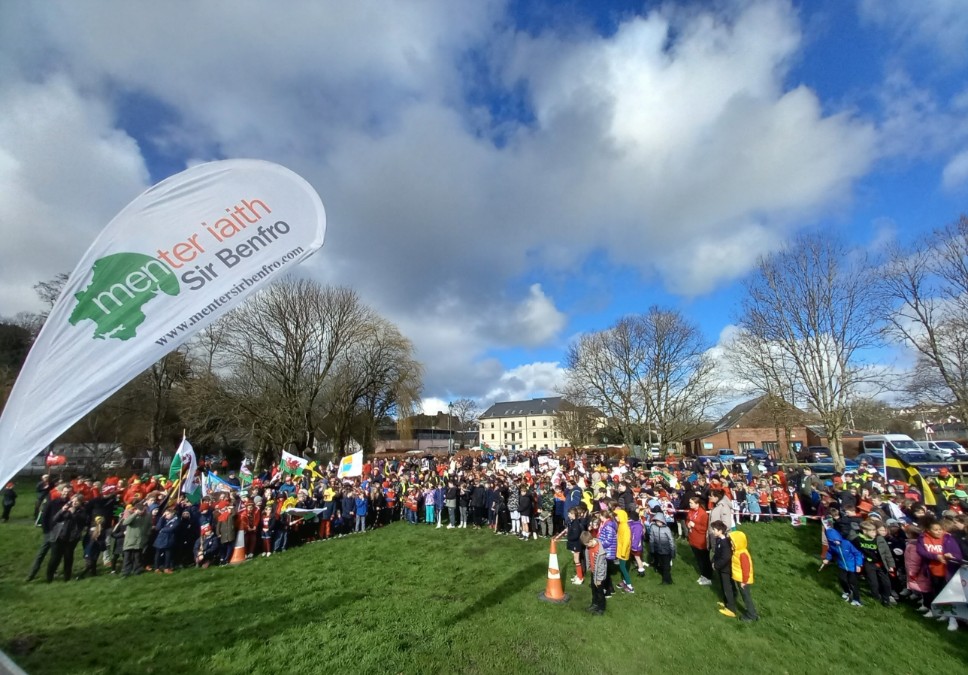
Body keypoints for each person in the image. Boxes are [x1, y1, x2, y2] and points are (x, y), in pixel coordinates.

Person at [26, 483, 70, 582]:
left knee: (56, 555)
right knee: (42, 553)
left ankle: (52, 572)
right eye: (65, 491)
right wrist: (46, 530)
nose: (66, 493)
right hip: (50, 530)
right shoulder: (53, 502)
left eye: (68, 492)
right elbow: (45, 516)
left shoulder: (68, 502)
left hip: (60, 532)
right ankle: (32, 573)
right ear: (61, 491)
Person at [46, 494, 88, 582]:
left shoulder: (82, 511)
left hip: (71, 538)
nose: (74, 503)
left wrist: (73, 513)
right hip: (59, 536)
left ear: (80, 503)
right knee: (55, 558)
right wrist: (62, 510)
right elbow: (55, 519)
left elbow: (83, 521)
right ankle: (49, 577)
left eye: (77, 501)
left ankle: (67, 578)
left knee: (68, 558)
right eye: (73, 500)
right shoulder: (66, 508)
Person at [821, 521, 864, 606]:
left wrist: (858, 564)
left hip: (852, 566)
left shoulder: (847, 543)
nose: (836, 542)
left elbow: (857, 553)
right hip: (842, 565)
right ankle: (847, 591)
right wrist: (827, 559)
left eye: (837, 540)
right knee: (842, 579)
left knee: (853, 583)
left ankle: (857, 600)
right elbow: (830, 552)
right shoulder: (832, 545)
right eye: (833, 541)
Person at [856, 520, 895, 607]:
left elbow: (887, 553)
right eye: (872, 531)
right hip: (869, 564)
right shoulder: (858, 539)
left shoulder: (879, 539)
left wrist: (891, 565)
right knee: (873, 583)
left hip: (881, 564)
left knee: (886, 583)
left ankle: (886, 600)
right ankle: (876, 597)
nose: (875, 533)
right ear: (864, 531)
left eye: (875, 530)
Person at [727, 530, 759, 621]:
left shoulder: (742, 554)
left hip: (743, 580)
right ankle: (751, 612)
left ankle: (752, 615)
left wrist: (744, 581)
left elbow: (746, 569)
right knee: (745, 596)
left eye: (733, 542)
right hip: (740, 578)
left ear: (738, 543)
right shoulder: (737, 551)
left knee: (746, 597)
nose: (731, 543)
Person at [711, 520, 737, 617]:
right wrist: (713, 561)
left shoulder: (725, 543)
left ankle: (731, 609)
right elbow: (717, 554)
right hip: (721, 568)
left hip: (726, 569)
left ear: (720, 531)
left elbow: (726, 557)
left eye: (714, 530)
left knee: (727, 588)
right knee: (723, 586)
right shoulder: (719, 540)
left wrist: (716, 565)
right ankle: (726, 602)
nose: (713, 531)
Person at [686, 495, 713, 585]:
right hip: (692, 538)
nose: (689, 504)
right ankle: (703, 575)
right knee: (698, 559)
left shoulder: (703, 514)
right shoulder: (691, 511)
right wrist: (688, 524)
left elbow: (705, 528)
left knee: (704, 560)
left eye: (691, 503)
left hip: (701, 541)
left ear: (697, 504)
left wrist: (695, 526)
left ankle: (708, 577)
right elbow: (688, 520)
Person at [121, 501, 149, 577]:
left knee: (137, 557)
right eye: (141, 510)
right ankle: (126, 572)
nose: (143, 511)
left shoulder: (146, 517)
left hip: (139, 540)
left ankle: (137, 570)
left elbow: (148, 526)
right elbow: (125, 522)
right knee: (127, 558)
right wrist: (135, 514)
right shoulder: (131, 515)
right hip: (130, 541)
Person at [582, 530, 607, 615]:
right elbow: (588, 557)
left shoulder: (600, 551)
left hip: (599, 574)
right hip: (593, 572)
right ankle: (595, 604)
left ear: (590, 541)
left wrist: (599, 580)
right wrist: (589, 567)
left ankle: (601, 608)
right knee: (593, 589)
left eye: (586, 545)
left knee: (600, 592)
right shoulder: (589, 547)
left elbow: (601, 567)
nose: (586, 547)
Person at [648, 513, 676, 585]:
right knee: (662, 565)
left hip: (667, 551)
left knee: (666, 566)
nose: (658, 523)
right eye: (657, 521)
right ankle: (669, 579)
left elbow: (671, 540)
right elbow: (651, 538)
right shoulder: (653, 527)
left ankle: (665, 581)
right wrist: (652, 549)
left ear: (663, 521)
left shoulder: (667, 529)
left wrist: (672, 551)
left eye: (660, 521)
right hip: (658, 550)